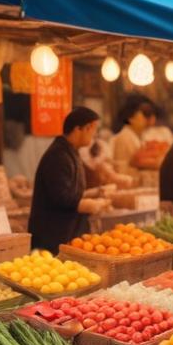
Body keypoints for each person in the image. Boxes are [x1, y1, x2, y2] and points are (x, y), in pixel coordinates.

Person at [28, 107, 109, 251]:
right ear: (79, 129)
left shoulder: (70, 151)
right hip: (52, 238)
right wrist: (91, 205)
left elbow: (71, 191)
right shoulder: (58, 156)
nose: (94, 135)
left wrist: (95, 194)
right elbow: (62, 198)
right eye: (92, 129)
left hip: (66, 234)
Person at [111, 95, 155, 173]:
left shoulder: (140, 136)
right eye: (141, 115)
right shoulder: (123, 138)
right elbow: (119, 168)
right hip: (129, 182)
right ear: (131, 119)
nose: (145, 119)